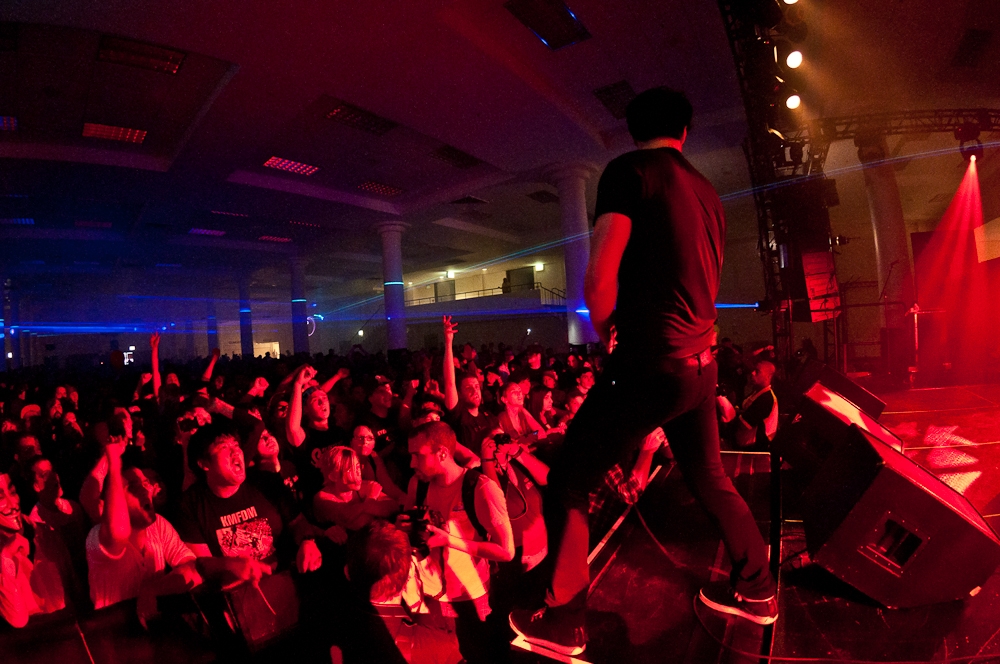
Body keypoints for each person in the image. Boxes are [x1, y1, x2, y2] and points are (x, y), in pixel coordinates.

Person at [509, 86, 777, 656]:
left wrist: (606, 332)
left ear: (633, 130)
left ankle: (562, 623)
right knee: (709, 475)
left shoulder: (628, 171)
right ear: (684, 129)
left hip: (650, 362)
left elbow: (597, 275)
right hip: (700, 363)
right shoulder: (707, 191)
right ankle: (757, 590)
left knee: (567, 480)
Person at [404, 421, 514, 664]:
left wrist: (451, 541)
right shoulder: (418, 485)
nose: (411, 463)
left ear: (442, 453)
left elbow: (507, 552)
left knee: (484, 653)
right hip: (433, 597)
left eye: (417, 455)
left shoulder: (481, 487)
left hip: (472, 595)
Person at [86, 435, 202, 623]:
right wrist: (112, 462)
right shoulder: (98, 537)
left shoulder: (159, 525)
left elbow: (192, 568)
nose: (144, 490)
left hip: (157, 628)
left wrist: (153, 590)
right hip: (115, 637)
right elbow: (117, 531)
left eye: (145, 483)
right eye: (132, 486)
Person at [717, 360, 778, 450]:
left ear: (769, 376)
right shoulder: (757, 393)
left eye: (757, 371)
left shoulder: (766, 399)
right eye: (753, 370)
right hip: (745, 445)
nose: (752, 373)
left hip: (753, 449)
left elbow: (743, 424)